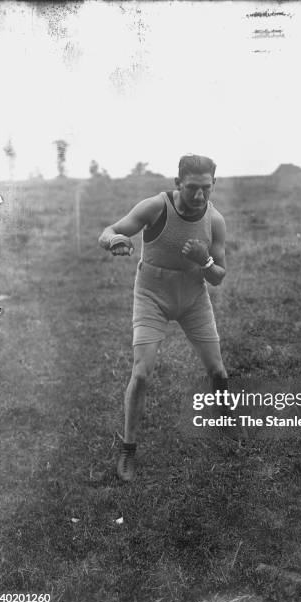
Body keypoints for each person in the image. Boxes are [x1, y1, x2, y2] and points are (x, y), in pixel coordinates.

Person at [98, 154, 229, 481]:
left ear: (214, 185)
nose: (199, 196)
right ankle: (128, 450)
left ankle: (224, 423)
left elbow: (218, 276)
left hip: (193, 297)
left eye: (206, 188)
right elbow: (110, 230)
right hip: (152, 297)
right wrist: (115, 239)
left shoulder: (215, 220)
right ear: (177, 184)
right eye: (192, 188)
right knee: (141, 374)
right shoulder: (156, 207)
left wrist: (206, 259)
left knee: (219, 372)